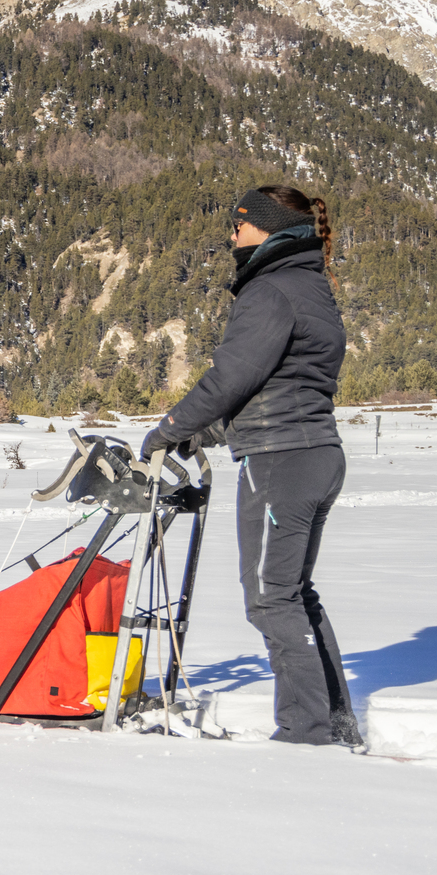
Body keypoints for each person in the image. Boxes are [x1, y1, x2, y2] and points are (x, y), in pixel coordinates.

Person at [141, 185, 360, 747]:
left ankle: (307, 733)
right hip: (314, 453)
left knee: (270, 598)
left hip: (282, 460)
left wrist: (171, 430)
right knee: (292, 593)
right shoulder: (310, 284)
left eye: (238, 225)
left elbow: (231, 378)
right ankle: (334, 723)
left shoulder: (271, 289)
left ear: (264, 227)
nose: (231, 236)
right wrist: (210, 434)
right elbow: (279, 382)